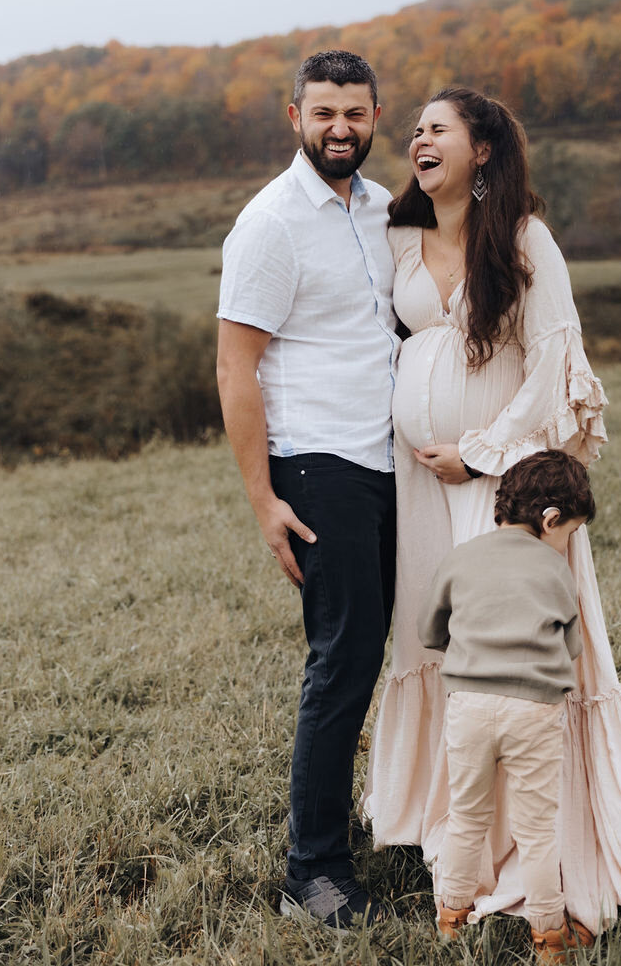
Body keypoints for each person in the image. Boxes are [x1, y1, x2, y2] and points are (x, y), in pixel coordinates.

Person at [362, 86, 621, 966]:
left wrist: (485, 449)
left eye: (437, 129)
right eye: (413, 130)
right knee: (444, 646)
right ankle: (446, 827)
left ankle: (538, 846)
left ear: (483, 150)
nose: (417, 139)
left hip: (502, 484)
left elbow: (555, 365)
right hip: (422, 488)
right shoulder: (396, 238)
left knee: (518, 652)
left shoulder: (527, 241)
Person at [216, 49, 398, 931]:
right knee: (345, 658)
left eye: (355, 114)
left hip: (392, 462)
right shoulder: (271, 224)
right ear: (295, 117)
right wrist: (264, 502)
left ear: (374, 117)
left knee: (402, 652)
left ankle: (402, 816)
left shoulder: (383, 210)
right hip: (319, 467)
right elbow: (234, 366)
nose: (340, 129)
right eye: (324, 113)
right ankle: (312, 872)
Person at [419, 449, 598, 963]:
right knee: (537, 830)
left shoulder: (462, 557)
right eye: (570, 532)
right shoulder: (555, 569)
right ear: (550, 520)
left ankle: (450, 918)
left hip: (469, 705)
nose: (567, 543)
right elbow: (571, 645)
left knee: (467, 817)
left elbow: (429, 631)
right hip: (534, 710)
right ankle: (548, 937)